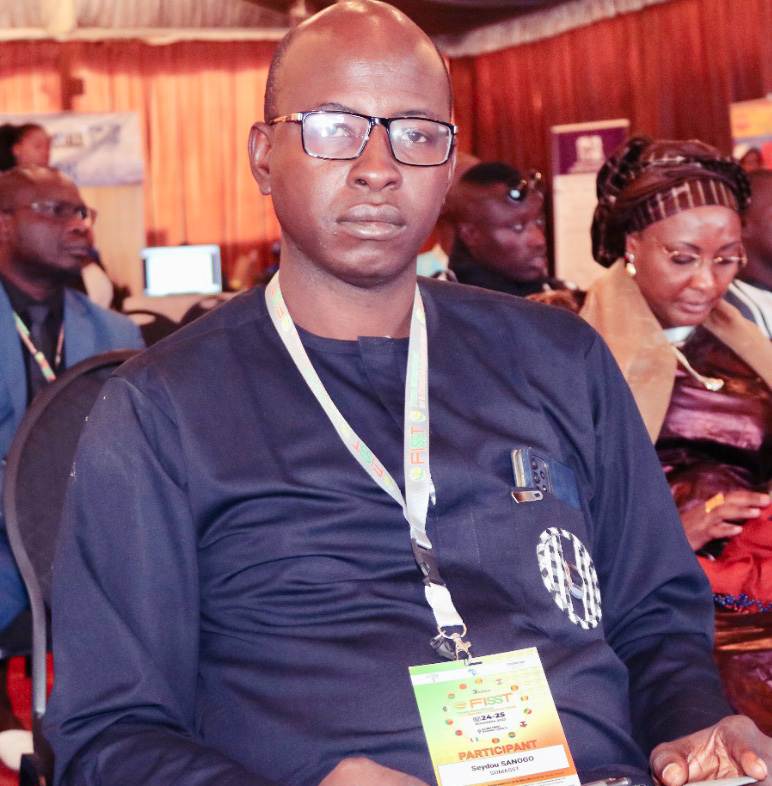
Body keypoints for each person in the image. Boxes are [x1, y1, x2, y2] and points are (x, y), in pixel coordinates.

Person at [45, 6, 772, 786]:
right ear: (262, 156)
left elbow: (655, 613)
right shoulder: (165, 405)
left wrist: (694, 724)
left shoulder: (560, 359)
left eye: (417, 133)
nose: (378, 167)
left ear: (448, 164)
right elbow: (110, 733)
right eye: (334, 127)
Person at [580, 136, 772, 604]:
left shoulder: (743, 341)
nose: (707, 282)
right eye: (683, 258)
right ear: (633, 245)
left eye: (726, 260)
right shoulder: (571, 334)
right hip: (649, 586)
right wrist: (672, 534)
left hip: (752, 572)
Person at [0, 165, 143, 732]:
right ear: (4, 225)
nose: (80, 225)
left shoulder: (116, 334)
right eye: (56, 211)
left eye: (83, 212)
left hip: (91, 539)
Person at [446, 161, 571, 296]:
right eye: (517, 227)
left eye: (539, 221)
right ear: (470, 234)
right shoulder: (440, 303)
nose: (539, 240)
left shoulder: (561, 296)